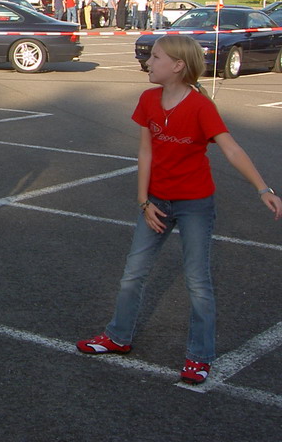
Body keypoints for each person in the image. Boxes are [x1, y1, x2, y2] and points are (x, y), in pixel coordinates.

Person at [77, 35, 281, 385]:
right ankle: (118, 337)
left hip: (194, 204)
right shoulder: (148, 99)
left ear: (177, 66)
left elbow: (231, 149)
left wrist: (263, 188)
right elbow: (145, 152)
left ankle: (200, 357)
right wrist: (144, 201)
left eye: (156, 57)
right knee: (133, 273)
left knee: (197, 281)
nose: (148, 62)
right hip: (156, 202)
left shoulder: (200, 106)